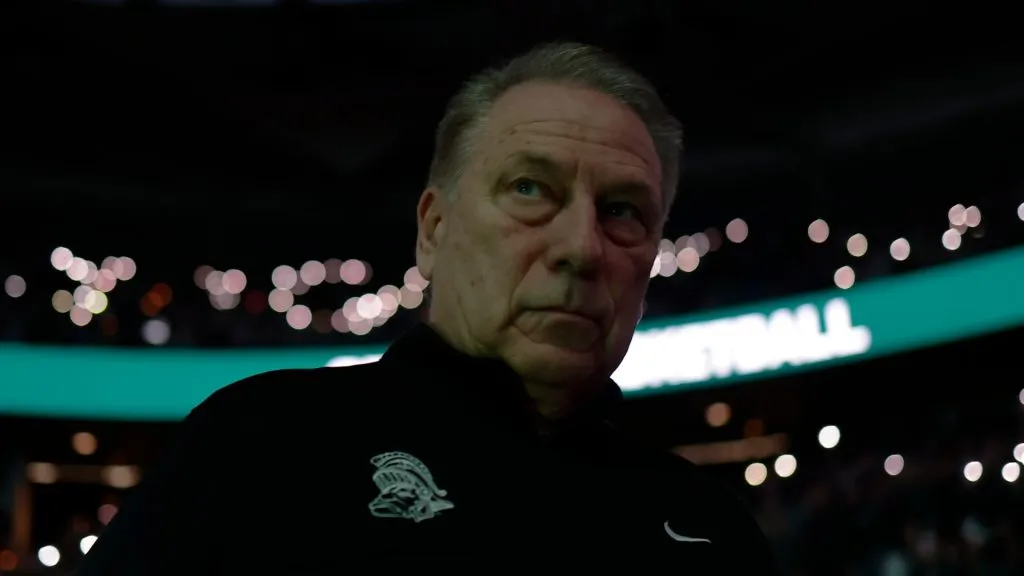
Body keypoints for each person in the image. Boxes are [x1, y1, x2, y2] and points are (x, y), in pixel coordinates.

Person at [76, 42, 778, 572]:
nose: (582, 248)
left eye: (623, 211)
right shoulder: (259, 445)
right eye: (531, 189)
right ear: (434, 231)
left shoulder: (713, 528)